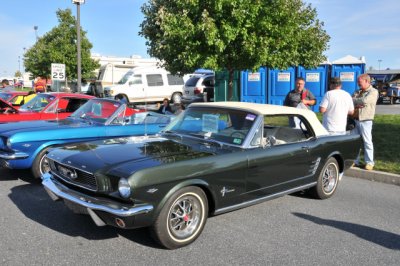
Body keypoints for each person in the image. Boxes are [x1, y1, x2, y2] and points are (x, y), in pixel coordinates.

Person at [352, 74, 379, 170]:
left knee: (367, 142)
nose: (358, 84)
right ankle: (355, 161)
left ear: (367, 81)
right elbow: (351, 101)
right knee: (355, 142)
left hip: (366, 120)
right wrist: (357, 102)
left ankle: (369, 162)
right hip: (355, 120)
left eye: (360, 82)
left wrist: (356, 101)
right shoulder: (357, 91)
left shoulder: (373, 91)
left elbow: (365, 101)